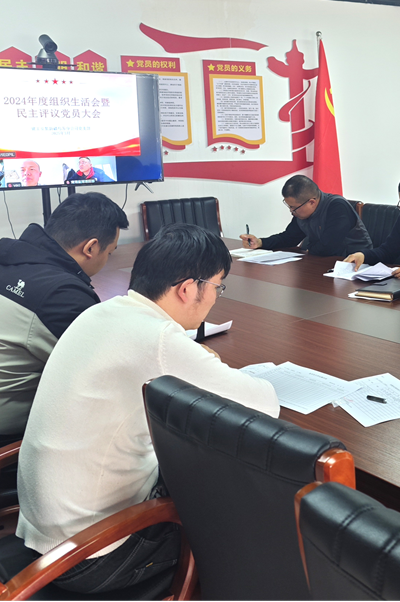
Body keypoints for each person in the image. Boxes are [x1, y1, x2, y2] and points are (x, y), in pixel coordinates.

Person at [16, 224, 279, 594]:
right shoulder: (158, 338)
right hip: (93, 557)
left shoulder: (102, 312)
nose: (216, 297)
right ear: (188, 289)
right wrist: (208, 362)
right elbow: (264, 403)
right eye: (217, 286)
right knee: (246, 515)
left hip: (45, 536)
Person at [0, 192, 128, 449]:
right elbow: (106, 371)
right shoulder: (62, 293)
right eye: (109, 252)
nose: (107, 259)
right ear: (90, 248)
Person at [240, 174, 372, 257]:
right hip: (321, 264)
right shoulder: (302, 212)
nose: (291, 211)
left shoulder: (337, 207)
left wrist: (307, 249)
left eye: (293, 207)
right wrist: (261, 242)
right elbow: (289, 237)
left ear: (312, 202)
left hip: (352, 265)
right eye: (289, 206)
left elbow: (329, 247)